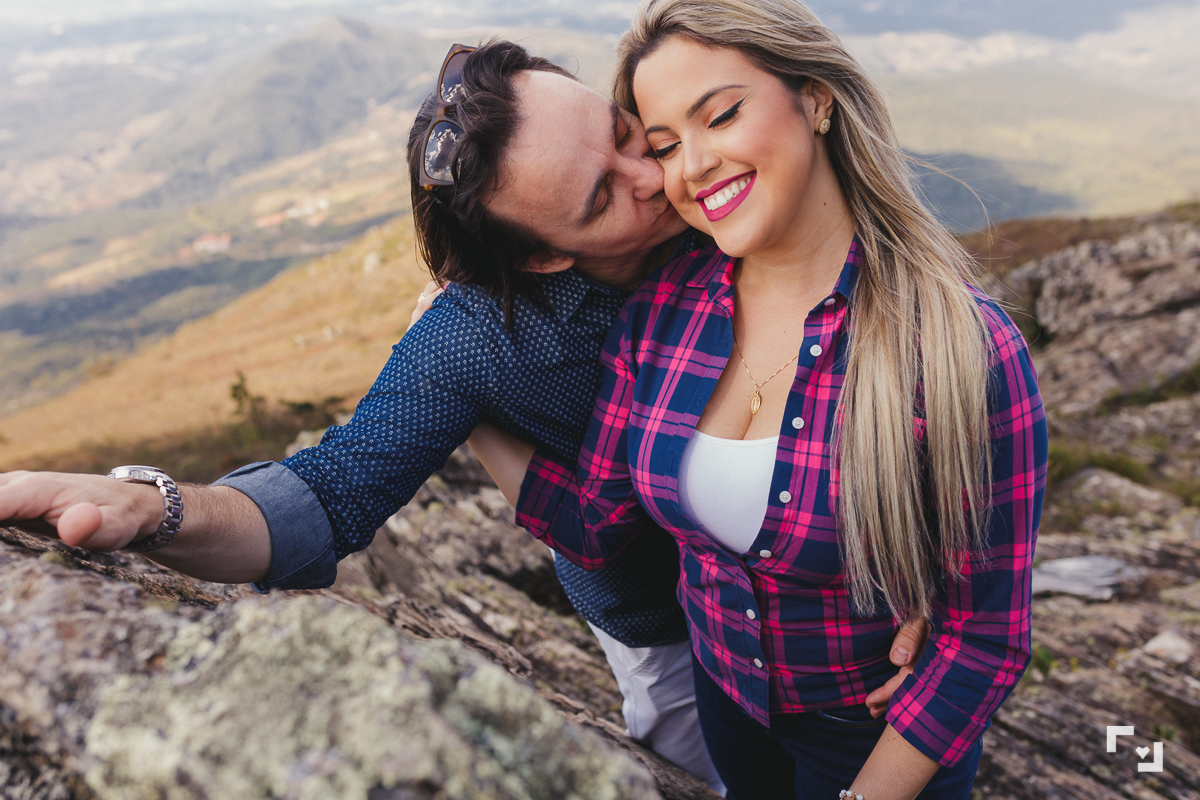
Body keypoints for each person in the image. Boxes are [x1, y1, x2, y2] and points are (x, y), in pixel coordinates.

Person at [0, 38, 927, 793]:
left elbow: (916, 349)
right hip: (657, 613)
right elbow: (329, 492)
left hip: (825, 601)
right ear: (540, 259)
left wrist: (934, 567)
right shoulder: (477, 337)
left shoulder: (731, 194)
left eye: (620, 132)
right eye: (601, 197)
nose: (654, 174)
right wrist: (156, 509)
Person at [464, 2, 1049, 799]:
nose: (693, 166)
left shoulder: (957, 349)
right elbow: (593, 527)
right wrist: (470, 409)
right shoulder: (662, 313)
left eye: (723, 115)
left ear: (814, 98)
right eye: (665, 146)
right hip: (728, 709)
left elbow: (985, 635)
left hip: (878, 743)